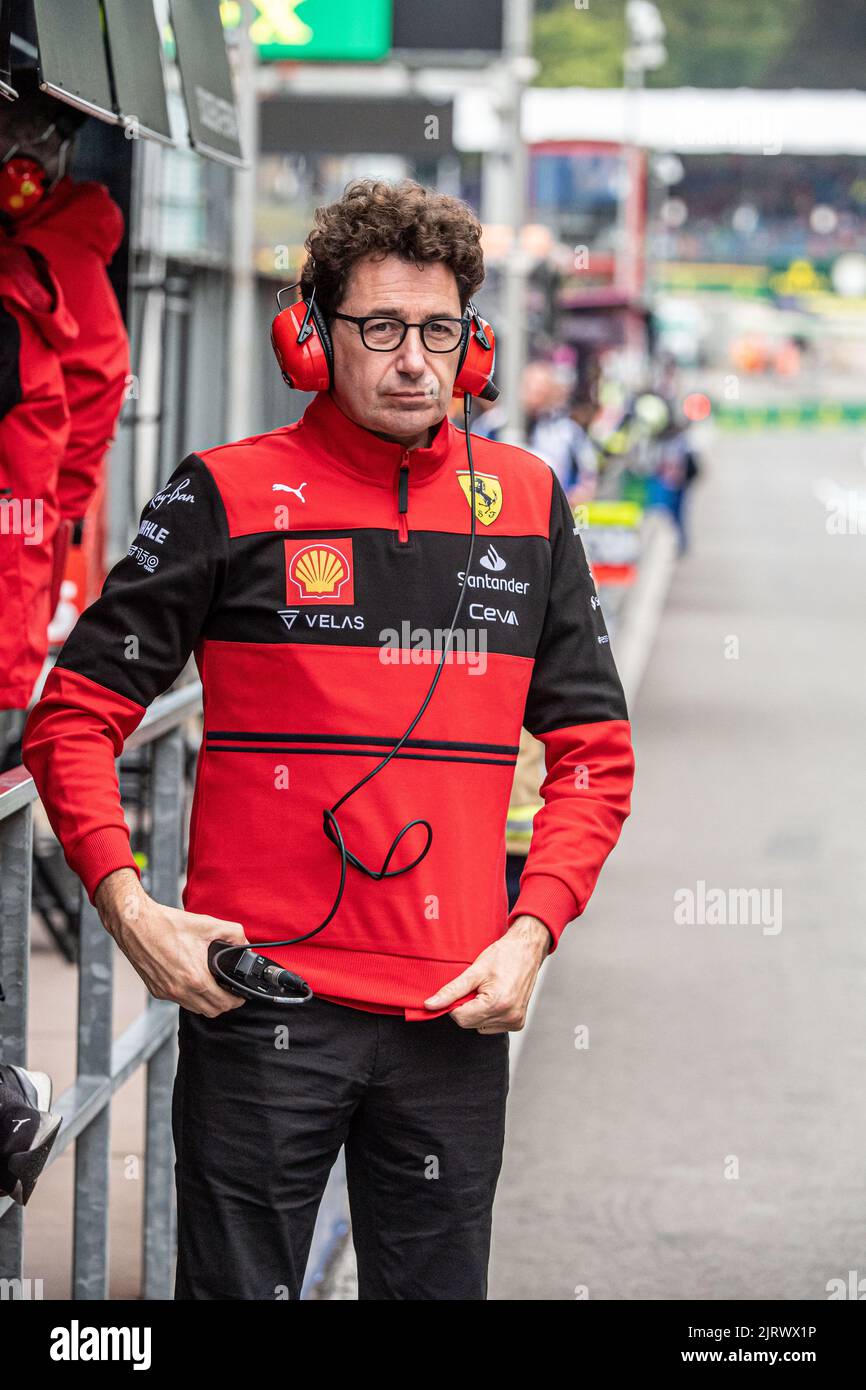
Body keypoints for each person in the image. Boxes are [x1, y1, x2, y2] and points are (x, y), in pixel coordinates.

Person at [22, 178, 635, 1300]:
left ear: (475, 342)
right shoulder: (223, 494)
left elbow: (595, 753)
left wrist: (534, 930)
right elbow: (74, 714)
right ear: (309, 338)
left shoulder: (532, 502)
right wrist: (129, 907)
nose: (413, 359)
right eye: (380, 327)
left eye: (438, 329)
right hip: (257, 1010)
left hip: (455, 1013)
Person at [0, 71, 129, 769]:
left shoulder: (48, 262)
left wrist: (51, 518)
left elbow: (89, 400)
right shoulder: (46, 245)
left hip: (21, 563)